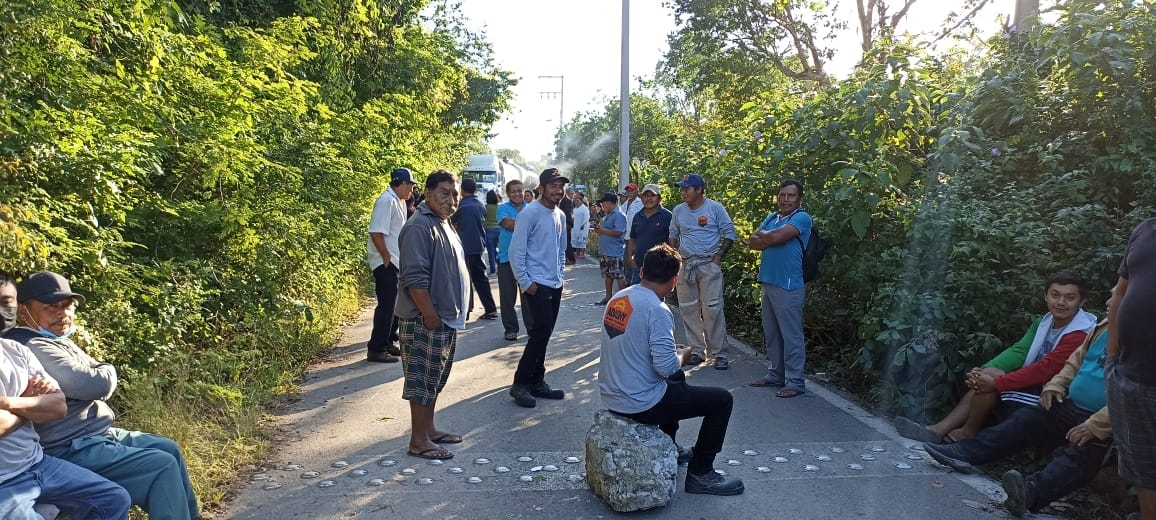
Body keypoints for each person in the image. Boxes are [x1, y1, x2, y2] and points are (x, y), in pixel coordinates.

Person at [5, 271, 199, 520]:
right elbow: (92, 383)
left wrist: (101, 371)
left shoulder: (55, 340)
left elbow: (97, 375)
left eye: (68, 306)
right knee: (161, 465)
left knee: (168, 448)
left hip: (95, 435)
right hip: (69, 445)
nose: (63, 314)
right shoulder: (31, 345)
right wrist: (104, 370)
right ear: (23, 311)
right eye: (52, 306)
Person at [922, 317, 1113, 517]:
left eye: (1117, 297)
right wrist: (1056, 385)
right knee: (1028, 419)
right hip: (1072, 403)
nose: (1109, 301)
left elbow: (1138, 394)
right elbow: (1075, 361)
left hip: (1108, 419)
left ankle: (1029, 494)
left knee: (1083, 454)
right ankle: (964, 452)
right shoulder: (1105, 326)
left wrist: (1096, 424)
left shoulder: (1144, 335)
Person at [598, 244, 744, 496]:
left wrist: (667, 350)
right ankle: (701, 473)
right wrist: (684, 354)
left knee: (674, 385)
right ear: (675, 280)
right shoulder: (657, 309)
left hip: (613, 394)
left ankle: (670, 446)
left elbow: (631, 342)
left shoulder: (619, 298)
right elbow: (665, 367)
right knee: (721, 400)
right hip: (640, 403)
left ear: (642, 271)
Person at [894, 271, 1097, 443]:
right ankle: (940, 430)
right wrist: (982, 370)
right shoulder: (1043, 322)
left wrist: (997, 383)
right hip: (1034, 386)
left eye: (1070, 297)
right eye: (1055, 295)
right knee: (988, 374)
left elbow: (1045, 369)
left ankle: (965, 434)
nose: (1061, 302)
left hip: (1055, 397)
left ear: (1082, 301)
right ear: (1045, 296)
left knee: (991, 381)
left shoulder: (1080, 332)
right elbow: (1019, 352)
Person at [0, 333, 132, 520]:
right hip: (4, 480)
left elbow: (58, 406)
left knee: (114, 500)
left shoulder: (16, 351)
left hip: (37, 463)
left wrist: (9, 404)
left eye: (8, 302)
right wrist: (28, 404)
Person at [395, 170, 470, 460]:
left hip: (442, 317)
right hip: (424, 319)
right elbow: (414, 278)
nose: (451, 200)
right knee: (421, 380)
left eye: (455, 194)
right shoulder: (419, 227)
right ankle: (418, 440)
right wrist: (430, 315)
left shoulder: (443, 223)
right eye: (444, 193)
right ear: (427, 194)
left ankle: (429, 430)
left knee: (434, 379)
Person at [1106, 218, 1156, 520]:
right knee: (1145, 468)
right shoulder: (1145, 229)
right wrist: (1112, 357)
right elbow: (1119, 294)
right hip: (1132, 376)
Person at [507, 168, 569, 408]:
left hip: (554, 284)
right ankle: (520, 383)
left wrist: (560, 275)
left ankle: (537, 381)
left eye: (560, 186)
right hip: (536, 285)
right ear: (541, 188)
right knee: (538, 334)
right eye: (553, 186)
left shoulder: (560, 215)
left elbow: (561, 250)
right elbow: (516, 251)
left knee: (545, 334)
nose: (558, 190)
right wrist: (526, 283)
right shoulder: (530, 213)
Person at [748, 179, 812, 398]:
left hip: (788, 285)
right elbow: (752, 242)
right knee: (772, 334)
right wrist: (769, 237)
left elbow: (773, 236)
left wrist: (767, 236)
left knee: (791, 335)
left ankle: (795, 382)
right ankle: (776, 374)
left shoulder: (801, 218)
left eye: (791, 195)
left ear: (799, 198)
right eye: (782, 195)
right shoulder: (773, 217)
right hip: (769, 281)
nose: (785, 199)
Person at [669, 174, 737, 370]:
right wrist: (676, 256)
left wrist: (717, 258)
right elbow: (673, 234)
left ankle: (720, 354)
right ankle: (697, 352)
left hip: (708, 265)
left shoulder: (714, 208)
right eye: (681, 188)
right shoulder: (679, 210)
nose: (683, 192)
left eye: (687, 188)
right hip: (686, 265)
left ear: (699, 190)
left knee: (712, 310)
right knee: (688, 310)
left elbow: (730, 233)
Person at [365, 167, 418, 363]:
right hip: (385, 261)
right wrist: (386, 256)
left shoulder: (399, 201)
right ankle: (376, 348)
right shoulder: (386, 201)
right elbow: (376, 232)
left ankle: (387, 341)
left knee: (395, 305)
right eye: (410, 186)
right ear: (402, 184)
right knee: (387, 305)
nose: (411, 190)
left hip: (395, 260)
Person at [451, 178, 498, 321]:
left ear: (462, 190)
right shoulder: (480, 205)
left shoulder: (461, 206)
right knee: (481, 279)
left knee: (463, 280)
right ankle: (490, 308)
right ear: (475, 190)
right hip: (478, 246)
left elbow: (452, 223)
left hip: (463, 247)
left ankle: (465, 310)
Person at [497, 180, 533, 342]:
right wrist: (528, 223)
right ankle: (511, 329)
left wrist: (519, 222)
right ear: (508, 193)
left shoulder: (531, 208)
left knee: (528, 296)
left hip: (528, 260)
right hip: (506, 259)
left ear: (524, 191)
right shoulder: (502, 208)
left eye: (519, 191)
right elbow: (507, 224)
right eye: (513, 191)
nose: (517, 194)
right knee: (507, 297)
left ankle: (532, 328)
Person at [626, 184, 672, 287]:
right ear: (641, 198)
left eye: (652, 195)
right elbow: (632, 238)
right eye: (646, 196)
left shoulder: (667, 216)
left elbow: (673, 240)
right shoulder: (638, 216)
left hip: (659, 266)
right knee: (635, 297)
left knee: (656, 299)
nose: (648, 198)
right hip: (639, 266)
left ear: (659, 198)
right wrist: (630, 258)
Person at [593, 192, 627, 305]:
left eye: (603, 203)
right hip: (605, 251)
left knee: (618, 275)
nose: (602, 205)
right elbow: (608, 229)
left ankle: (623, 300)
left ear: (608, 203)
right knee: (608, 274)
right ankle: (608, 297)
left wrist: (602, 231)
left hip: (614, 251)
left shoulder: (619, 215)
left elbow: (618, 232)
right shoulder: (609, 214)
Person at [619, 182, 642, 250]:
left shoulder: (641, 203)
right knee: (625, 259)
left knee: (634, 257)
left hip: (635, 237)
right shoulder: (624, 205)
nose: (630, 192)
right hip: (624, 236)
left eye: (632, 190)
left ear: (637, 191)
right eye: (628, 191)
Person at [484, 190, 501, 276]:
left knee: (491, 251)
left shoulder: (485, 207)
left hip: (488, 230)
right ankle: (501, 266)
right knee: (500, 250)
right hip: (499, 230)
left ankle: (493, 270)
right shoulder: (499, 207)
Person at [571, 192, 590, 259]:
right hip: (575, 227)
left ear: (581, 201)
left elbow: (587, 217)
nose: (576, 202)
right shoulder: (575, 209)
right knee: (576, 240)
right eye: (575, 201)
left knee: (582, 240)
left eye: (578, 201)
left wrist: (583, 225)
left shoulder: (584, 208)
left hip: (583, 227)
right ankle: (577, 253)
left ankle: (582, 254)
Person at [560, 187, 576, 265]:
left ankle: (571, 258)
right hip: (561, 224)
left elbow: (569, 214)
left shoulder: (567, 201)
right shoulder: (559, 200)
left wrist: (569, 224)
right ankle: (566, 258)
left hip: (566, 224)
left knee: (567, 242)